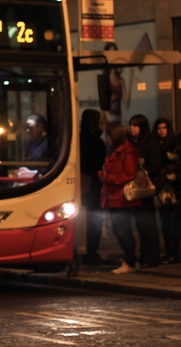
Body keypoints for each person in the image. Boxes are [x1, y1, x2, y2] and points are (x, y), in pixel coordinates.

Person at [99, 123, 141, 274]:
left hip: (123, 196)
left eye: (109, 135)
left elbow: (130, 174)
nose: (107, 138)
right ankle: (130, 259)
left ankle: (130, 261)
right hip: (113, 196)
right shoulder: (114, 151)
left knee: (123, 229)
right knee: (118, 229)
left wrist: (108, 178)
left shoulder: (128, 151)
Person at [128, 114, 162, 268]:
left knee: (148, 223)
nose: (132, 128)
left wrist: (142, 167)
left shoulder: (150, 142)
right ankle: (145, 255)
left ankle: (152, 256)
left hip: (147, 188)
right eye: (131, 125)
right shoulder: (133, 143)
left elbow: (155, 165)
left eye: (135, 125)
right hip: (138, 188)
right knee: (141, 224)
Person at [153, 118, 181, 264]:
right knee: (165, 222)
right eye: (159, 128)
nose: (162, 131)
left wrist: (177, 176)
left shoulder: (176, 146)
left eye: (164, 128)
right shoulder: (154, 145)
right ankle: (169, 252)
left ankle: (174, 253)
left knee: (174, 222)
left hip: (173, 188)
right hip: (160, 187)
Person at [80, 109, 108, 265]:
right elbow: (101, 164)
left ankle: (81, 251)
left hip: (80, 186)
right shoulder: (98, 142)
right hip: (94, 187)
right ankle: (91, 252)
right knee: (94, 221)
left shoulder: (78, 139)